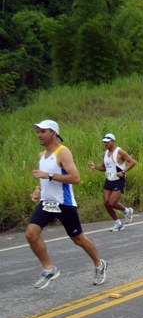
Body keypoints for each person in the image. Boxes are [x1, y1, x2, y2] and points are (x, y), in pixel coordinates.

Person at [26, 120, 107, 289]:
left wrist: (47, 175)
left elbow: (75, 178)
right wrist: (37, 190)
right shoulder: (42, 155)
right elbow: (44, 178)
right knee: (31, 234)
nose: (39, 135)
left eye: (43, 131)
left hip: (64, 203)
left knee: (78, 239)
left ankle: (99, 264)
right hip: (46, 203)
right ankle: (49, 268)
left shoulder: (63, 152)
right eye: (38, 132)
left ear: (53, 134)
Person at [88, 133, 137, 232]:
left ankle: (127, 211)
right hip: (109, 180)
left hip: (119, 180)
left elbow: (133, 162)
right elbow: (104, 168)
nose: (105, 144)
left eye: (107, 142)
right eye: (104, 142)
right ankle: (118, 223)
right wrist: (95, 167)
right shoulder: (105, 153)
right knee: (106, 203)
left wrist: (123, 172)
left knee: (112, 202)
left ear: (113, 142)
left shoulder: (120, 152)